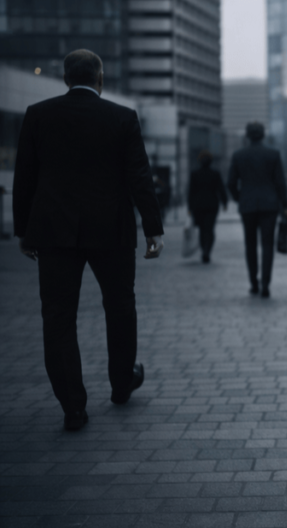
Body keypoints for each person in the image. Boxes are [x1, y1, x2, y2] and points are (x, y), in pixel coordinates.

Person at [12, 49, 163, 431]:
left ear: (65, 78)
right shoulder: (122, 117)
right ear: (100, 78)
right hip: (110, 229)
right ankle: (121, 383)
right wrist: (153, 228)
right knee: (120, 306)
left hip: (54, 231)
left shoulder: (38, 114)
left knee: (58, 317)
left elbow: (24, 177)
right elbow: (139, 176)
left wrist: (23, 230)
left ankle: (73, 406)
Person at [228, 122, 287, 298]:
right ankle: (265, 283)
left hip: (247, 205)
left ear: (247, 135)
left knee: (250, 244)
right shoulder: (273, 154)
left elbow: (231, 183)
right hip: (269, 205)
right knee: (268, 244)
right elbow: (280, 183)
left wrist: (240, 197)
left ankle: (253, 282)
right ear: (263, 135)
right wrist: (284, 205)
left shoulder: (238, 155)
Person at [187, 150, 228, 263]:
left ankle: (204, 250)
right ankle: (207, 251)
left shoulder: (194, 174)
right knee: (209, 229)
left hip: (198, 206)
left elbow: (191, 192)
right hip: (212, 205)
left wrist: (189, 208)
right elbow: (221, 189)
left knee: (201, 230)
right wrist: (225, 203)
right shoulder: (215, 174)